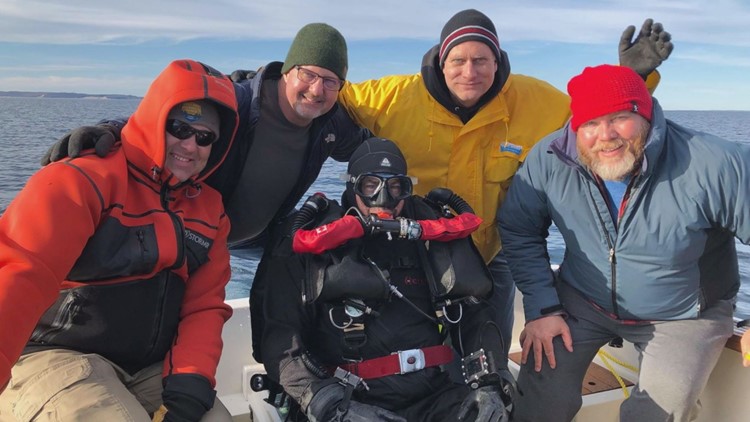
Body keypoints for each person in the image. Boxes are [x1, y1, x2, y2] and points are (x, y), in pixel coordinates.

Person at [333, 9, 673, 355]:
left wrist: (630, 76)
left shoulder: (534, 100)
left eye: (481, 60)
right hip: (409, 253)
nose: (470, 72)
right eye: (458, 60)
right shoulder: (392, 96)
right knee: (410, 351)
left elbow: (596, 117)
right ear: (441, 62)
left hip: (489, 255)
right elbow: (327, 94)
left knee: (489, 353)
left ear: (497, 62)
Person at [497, 64, 750, 421]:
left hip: (684, 313)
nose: (605, 135)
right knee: (541, 397)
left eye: (619, 118)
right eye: (590, 123)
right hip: (582, 300)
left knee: (657, 411)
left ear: (645, 114)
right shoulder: (551, 158)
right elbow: (519, 228)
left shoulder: (717, 163)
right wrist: (542, 309)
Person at [0, 59, 239, 421]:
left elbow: (203, 306)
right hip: (52, 354)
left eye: (205, 137)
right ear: (154, 120)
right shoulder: (81, 178)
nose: (190, 145)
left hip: (146, 368)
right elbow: (19, 272)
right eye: (179, 128)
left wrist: (190, 386)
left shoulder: (211, 209)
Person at [258, 137, 513, 421]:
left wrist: (490, 382)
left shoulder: (429, 234)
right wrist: (325, 402)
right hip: (346, 400)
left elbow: (475, 314)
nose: (384, 199)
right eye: (370, 185)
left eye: (396, 187)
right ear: (351, 186)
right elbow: (279, 342)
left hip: (431, 397)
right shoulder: (313, 239)